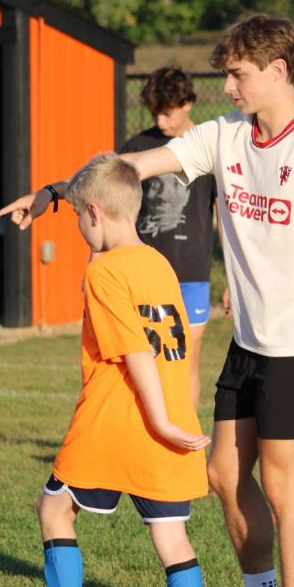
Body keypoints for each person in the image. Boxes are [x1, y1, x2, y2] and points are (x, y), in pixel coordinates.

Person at [0, 13, 294, 587]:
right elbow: (128, 167)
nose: (228, 87)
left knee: (282, 485)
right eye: (226, 74)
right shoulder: (223, 138)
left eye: (238, 74)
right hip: (247, 343)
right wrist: (54, 193)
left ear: (277, 71)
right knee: (223, 473)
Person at [0, 153, 226, 587]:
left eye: (78, 216)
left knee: (55, 509)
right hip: (165, 423)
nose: (78, 226)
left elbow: (135, 354)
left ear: (95, 214)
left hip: (115, 423)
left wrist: (159, 421)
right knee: (172, 539)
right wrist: (169, 422)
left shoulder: (104, 270)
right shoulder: (160, 264)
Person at [118, 67, 217, 409]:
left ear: (188, 103)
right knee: (146, 358)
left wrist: (233, 276)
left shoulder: (210, 148)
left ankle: (184, 430)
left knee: (186, 355)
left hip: (191, 273)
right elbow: (120, 212)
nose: (160, 120)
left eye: (168, 111)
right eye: (154, 112)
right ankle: (150, 432)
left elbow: (225, 217)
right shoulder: (137, 147)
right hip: (145, 273)